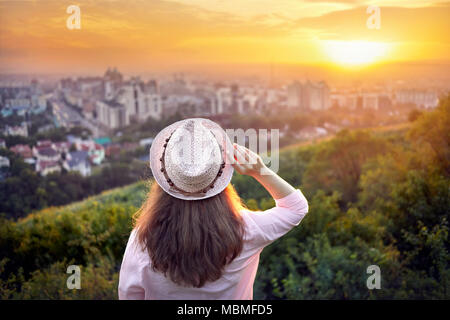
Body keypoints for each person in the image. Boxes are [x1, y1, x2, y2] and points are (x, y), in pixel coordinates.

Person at [118, 118, 309, 299]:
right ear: (220, 175)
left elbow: (129, 294)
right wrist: (260, 170)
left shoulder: (143, 240)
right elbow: (296, 208)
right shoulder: (247, 230)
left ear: (165, 177)